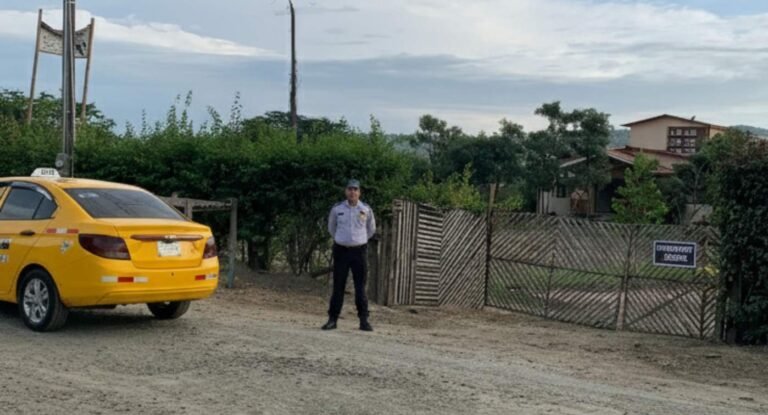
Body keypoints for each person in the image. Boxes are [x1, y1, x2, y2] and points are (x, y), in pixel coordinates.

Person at [322, 179, 376, 331]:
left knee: (360, 288)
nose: (352, 192)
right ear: (345, 192)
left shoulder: (365, 209)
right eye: (350, 189)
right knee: (338, 286)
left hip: (359, 251)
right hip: (341, 251)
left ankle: (363, 321)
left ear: (359, 192)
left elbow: (371, 229)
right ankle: (332, 319)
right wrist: (342, 239)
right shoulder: (337, 209)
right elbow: (331, 228)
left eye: (355, 189)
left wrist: (359, 240)